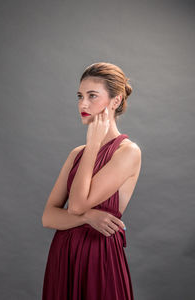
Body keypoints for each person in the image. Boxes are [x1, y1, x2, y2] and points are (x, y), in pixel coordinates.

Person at [42, 62, 141, 299]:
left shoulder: (128, 152)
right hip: (64, 255)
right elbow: (48, 217)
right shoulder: (77, 153)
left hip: (99, 258)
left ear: (115, 101)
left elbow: (75, 205)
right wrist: (87, 217)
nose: (82, 104)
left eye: (92, 96)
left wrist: (95, 143)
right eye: (80, 96)